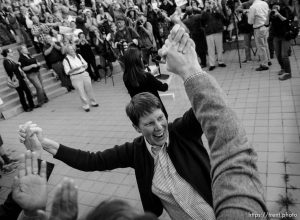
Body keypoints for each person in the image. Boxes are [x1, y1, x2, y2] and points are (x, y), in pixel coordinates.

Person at [19, 24, 267, 219]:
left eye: (160, 118)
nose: (159, 127)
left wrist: (192, 68)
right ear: (136, 127)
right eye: (149, 124)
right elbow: (91, 160)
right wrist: (46, 144)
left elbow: (215, 112)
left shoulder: (180, 131)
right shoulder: (135, 152)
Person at [122, 47, 168, 118]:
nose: (142, 59)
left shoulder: (126, 77)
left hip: (141, 111)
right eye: (140, 57)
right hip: (154, 108)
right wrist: (168, 81)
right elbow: (163, 87)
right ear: (138, 60)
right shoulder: (147, 76)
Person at [62, 45, 99, 112]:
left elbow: (85, 63)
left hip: (84, 74)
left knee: (89, 89)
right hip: (75, 77)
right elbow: (67, 72)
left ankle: (93, 102)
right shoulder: (66, 60)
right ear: (67, 51)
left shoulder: (78, 55)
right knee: (81, 92)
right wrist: (75, 69)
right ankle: (85, 106)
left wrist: (84, 65)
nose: (72, 50)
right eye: (70, 49)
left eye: (73, 49)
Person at [269, 0, 293, 80]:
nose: (277, 2)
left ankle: (288, 73)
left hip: (285, 35)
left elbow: (287, 21)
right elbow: (267, 24)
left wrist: (278, 14)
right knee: (278, 55)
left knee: (284, 55)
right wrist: (269, 14)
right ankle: (283, 68)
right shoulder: (274, 10)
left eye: (279, 0)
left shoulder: (287, 9)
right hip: (276, 35)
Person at [248, 0, 271, 71]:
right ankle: (268, 60)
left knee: (261, 46)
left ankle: (264, 64)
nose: (249, 0)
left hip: (258, 28)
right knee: (265, 44)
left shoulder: (253, 7)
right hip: (265, 26)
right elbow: (268, 13)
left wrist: (248, 14)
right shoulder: (264, 3)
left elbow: (250, 21)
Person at [201, 0, 226, 71]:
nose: (210, 3)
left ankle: (220, 62)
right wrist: (205, 9)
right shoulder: (205, 11)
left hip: (218, 30)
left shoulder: (217, 8)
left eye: (211, 2)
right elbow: (202, 21)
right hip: (209, 32)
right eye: (208, 2)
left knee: (219, 47)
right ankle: (212, 64)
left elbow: (222, 17)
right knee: (210, 49)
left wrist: (215, 8)